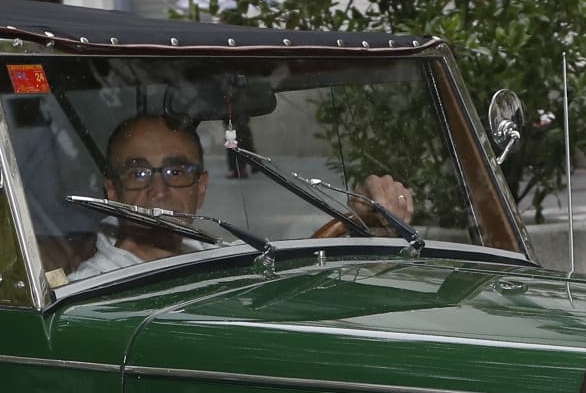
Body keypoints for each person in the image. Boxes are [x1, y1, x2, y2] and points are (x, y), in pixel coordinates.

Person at [61, 110, 417, 284]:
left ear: (201, 188)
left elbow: (283, 282)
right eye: (139, 173)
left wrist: (360, 221)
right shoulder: (93, 289)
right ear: (112, 191)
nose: (159, 190)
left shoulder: (216, 255)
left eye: (177, 172)